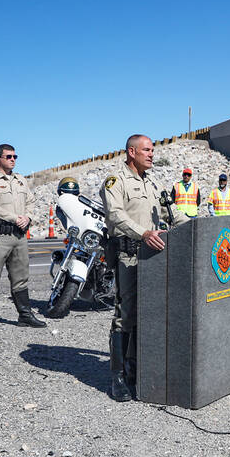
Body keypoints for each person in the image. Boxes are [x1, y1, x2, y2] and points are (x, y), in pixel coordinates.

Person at [101, 134, 167, 402]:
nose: (151, 154)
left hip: (153, 257)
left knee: (146, 313)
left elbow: (165, 212)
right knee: (125, 314)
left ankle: (134, 368)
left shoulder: (151, 182)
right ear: (131, 152)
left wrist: (196, 224)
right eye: (146, 150)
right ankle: (117, 376)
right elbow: (115, 215)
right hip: (128, 254)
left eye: (152, 150)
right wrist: (143, 233)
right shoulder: (115, 181)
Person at [0, 143, 44, 335]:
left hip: (19, 235)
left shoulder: (20, 180)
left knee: (21, 277)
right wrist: (15, 218)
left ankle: (24, 315)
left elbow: (30, 201)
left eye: (15, 156)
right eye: (9, 156)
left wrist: (28, 217)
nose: (13, 159)